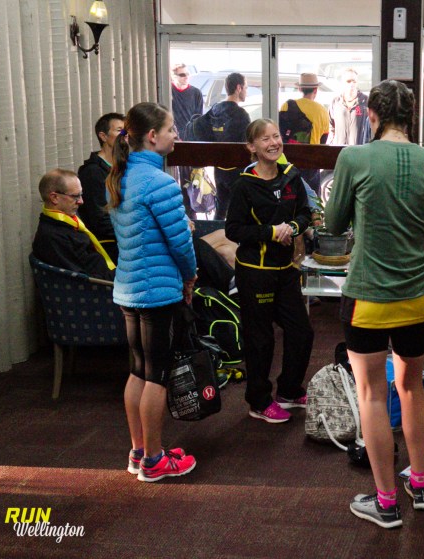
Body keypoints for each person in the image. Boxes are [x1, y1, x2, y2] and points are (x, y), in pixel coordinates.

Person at [324, 80, 424, 529]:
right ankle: (420, 483)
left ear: (371, 115)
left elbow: (335, 223)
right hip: (418, 292)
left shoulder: (354, 156)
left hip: (368, 296)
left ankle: (386, 502)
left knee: (373, 393)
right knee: (412, 387)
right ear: (411, 116)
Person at [106, 102, 198, 482]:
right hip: (158, 293)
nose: (176, 135)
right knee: (157, 374)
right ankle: (155, 460)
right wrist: (190, 277)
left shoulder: (119, 178)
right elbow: (181, 244)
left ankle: (139, 451)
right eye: (172, 129)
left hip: (128, 290)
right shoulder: (159, 183)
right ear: (152, 136)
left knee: (138, 371)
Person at [225, 118, 314, 424]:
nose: (274, 143)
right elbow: (234, 230)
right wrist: (269, 232)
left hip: (285, 268)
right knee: (260, 339)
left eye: (276, 136)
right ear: (252, 147)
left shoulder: (291, 176)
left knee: (301, 331)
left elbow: (305, 213)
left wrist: (293, 226)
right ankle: (259, 400)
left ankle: (289, 390)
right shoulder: (243, 185)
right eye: (265, 139)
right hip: (255, 271)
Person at [32, 169, 116, 280]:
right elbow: (80, 281)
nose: (81, 201)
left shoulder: (66, 222)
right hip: (104, 288)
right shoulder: (52, 236)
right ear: (54, 198)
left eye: (81, 195)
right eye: (75, 196)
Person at [77, 112, 125, 262]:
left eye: (126, 131)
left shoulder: (125, 166)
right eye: (119, 131)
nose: (125, 135)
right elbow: (99, 221)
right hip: (110, 245)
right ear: (103, 136)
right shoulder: (92, 172)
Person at [207, 72, 251, 220]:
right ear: (238, 88)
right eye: (246, 87)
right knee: (240, 212)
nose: (246, 91)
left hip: (219, 169)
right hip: (236, 171)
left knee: (221, 209)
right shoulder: (241, 114)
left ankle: (214, 240)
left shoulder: (215, 110)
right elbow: (248, 144)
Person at [279, 72, 331, 192]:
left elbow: (280, 133)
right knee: (312, 202)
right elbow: (323, 141)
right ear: (316, 90)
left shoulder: (287, 106)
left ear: (300, 88)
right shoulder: (322, 111)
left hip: (289, 162)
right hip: (311, 164)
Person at [170, 63, 204, 219]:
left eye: (187, 74)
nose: (186, 77)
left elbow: (199, 118)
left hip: (190, 142)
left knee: (191, 182)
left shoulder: (195, 93)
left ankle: (192, 213)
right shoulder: (168, 91)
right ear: (174, 76)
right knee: (175, 180)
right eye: (182, 75)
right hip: (174, 142)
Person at [328, 67, 371, 146]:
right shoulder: (335, 102)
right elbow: (331, 128)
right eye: (348, 81)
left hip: (358, 151)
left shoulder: (365, 101)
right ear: (342, 83)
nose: (352, 84)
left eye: (354, 81)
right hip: (338, 151)